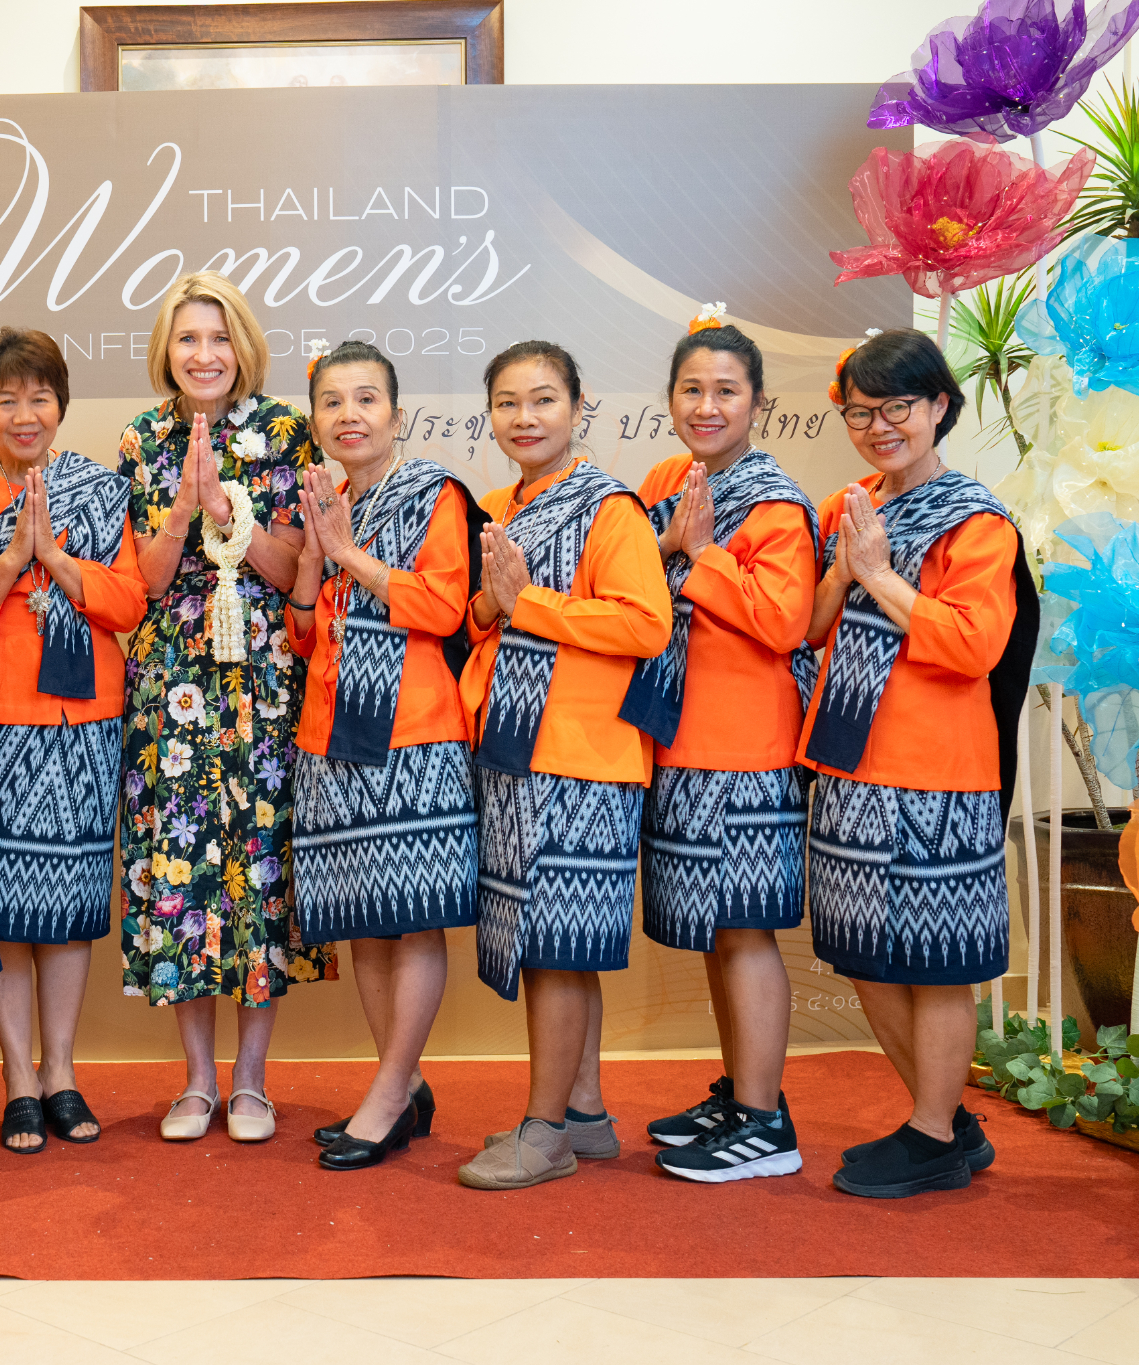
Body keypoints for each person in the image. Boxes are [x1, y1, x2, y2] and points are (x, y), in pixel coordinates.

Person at [802, 328, 1036, 1199]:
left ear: (939, 405)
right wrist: (843, 573)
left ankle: (933, 1133)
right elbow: (812, 629)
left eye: (896, 406)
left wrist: (879, 573)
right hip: (849, 761)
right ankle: (945, 1120)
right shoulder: (851, 503)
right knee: (863, 950)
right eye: (860, 412)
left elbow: (974, 645)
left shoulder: (977, 522)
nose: (878, 426)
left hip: (937, 770)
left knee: (936, 959)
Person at [116, 270, 334, 1143]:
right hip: (173, 682)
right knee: (182, 870)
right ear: (165, 350)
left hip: (263, 680)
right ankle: (198, 1080)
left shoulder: (285, 430)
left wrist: (229, 515)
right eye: (187, 339)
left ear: (242, 346)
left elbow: (296, 569)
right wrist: (182, 509)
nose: (204, 355)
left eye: (218, 338)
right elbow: (144, 582)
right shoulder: (143, 438)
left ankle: (251, 1081)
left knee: (258, 868)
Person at [0, 329, 146, 1153]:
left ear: (60, 405)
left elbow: (128, 602)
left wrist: (57, 556)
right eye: (7, 399)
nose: (25, 414)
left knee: (71, 908)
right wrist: (16, 558)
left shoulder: (101, 489)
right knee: (7, 909)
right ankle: (18, 1078)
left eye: (39, 397)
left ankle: (62, 1073)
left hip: (85, 721)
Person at [454, 341, 671, 1192]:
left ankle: (544, 1132)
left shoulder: (608, 507)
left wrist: (528, 602)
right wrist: (492, 602)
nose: (525, 417)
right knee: (561, 944)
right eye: (507, 402)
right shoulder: (497, 507)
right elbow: (480, 619)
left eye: (543, 399)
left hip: (581, 757)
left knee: (553, 947)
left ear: (579, 408)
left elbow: (644, 625)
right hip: (515, 748)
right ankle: (583, 1113)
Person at [622, 321, 820, 1183]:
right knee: (714, 929)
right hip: (677, 737)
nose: (707, 406)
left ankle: (766, 1123)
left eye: (726, 391)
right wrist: (668, 543)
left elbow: (783, 621)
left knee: (743, 930)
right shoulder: (666, 480)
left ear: (758, 403)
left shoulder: (775, 503)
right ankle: (742, 1093)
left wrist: (699, 551)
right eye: (692, 390)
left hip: (746, 747)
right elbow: (626, 577)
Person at [286, 341, 478, 1171]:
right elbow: (304, 633)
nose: (349, 415)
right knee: (364, 920)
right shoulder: (330, 500)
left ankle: (390, 1091)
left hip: (414, 732)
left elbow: (444, 607)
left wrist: (347, 554)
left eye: (366, 399)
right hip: (331, 733)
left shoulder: (434, 492)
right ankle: (401, 1083)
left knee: (414, 917)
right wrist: (310, 560)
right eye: (332, 402)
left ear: (397, 414)